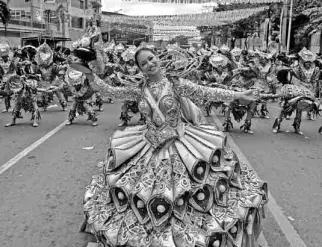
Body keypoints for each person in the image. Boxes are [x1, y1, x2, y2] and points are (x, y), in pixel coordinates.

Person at [78, 47, 267, 247]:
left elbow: (207, 92)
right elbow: (111, 91)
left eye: (151, 58)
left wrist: (238, 95)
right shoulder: (139, 89)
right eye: (144, 63)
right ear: (141, 69)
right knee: (144, 193)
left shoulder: (176, 84)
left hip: (180, 143)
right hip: (148, 145)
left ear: (158, 57)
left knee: (186, 193)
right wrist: (89, 74)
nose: (150, 64)